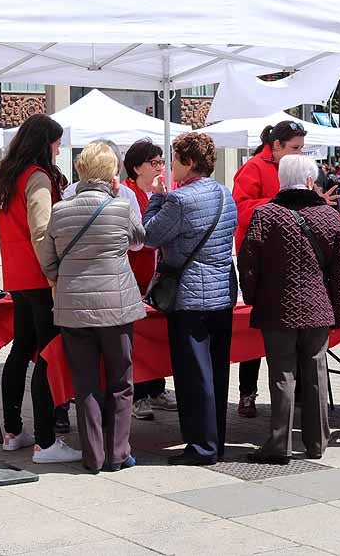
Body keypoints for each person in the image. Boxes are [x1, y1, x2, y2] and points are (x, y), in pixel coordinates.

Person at [38, 142, 146, 473]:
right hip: (116, 306)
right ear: (112, 173)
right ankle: (117, 453)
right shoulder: (120, 206)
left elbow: (47, 262)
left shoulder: (60, 210)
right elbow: (139, 240)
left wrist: (67, 278)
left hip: (72, 308)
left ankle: (93, 457)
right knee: (121, 381)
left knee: (85, 384)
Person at [238, 155, 340, 461]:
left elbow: (248, 263)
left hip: (277, 307)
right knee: (316, 373)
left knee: (282, 374)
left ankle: (278, 445)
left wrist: (253, 297)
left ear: (281, 180)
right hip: (317, 306)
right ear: (311, 181)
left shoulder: (266, 214)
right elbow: (338, 270)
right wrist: (337, 311)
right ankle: (316, 443)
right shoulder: (329, 216)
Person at [0, 114, 82, 464]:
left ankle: (13, 431)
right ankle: (46, 440)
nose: (59, 148)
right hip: (39, 277)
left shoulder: (7, 175)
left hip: (16, 277)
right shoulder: (37, 177)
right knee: (47, 355)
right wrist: (54, 275)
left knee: (21, 351)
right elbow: (42, 230)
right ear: (45, 142)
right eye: (57, 142)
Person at [143, 133, 237, 465]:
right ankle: (216, 440)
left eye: (175, 159)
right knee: (216, 372)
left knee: (193, 376)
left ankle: (201, 447)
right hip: (223, 294)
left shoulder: (179, 201)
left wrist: (155, 198)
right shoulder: (226, 194)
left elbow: (149, 235)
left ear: (190, 162)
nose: (171, 166)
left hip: (190, 298)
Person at [232, 120, 307, 419]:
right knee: (256, 326)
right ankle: (247, 393)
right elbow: (241, 209)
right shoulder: (252, 168)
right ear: (276, 146)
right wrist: (282, 203)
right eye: (294, 148)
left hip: (290, 256)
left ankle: (297, 391)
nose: (299, 154)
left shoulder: (295, 166)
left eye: (302, 149)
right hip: (258, 257)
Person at [121, 139, 178, 419]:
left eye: (161, 162)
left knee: (156, 332)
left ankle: (156, 387)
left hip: (155, 271)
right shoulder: (127, 193)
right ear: (136, 167)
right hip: (133, 270)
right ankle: (139, 394)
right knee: (138, 336)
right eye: (153, 163)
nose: (159, 167)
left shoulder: (160, 190)